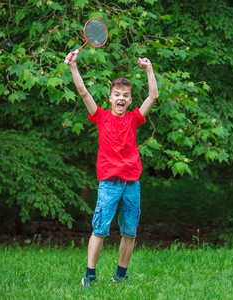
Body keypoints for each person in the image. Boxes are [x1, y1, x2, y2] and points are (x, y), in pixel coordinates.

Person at [65, 51, 159, 288]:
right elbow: (83, 92)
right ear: (109, 98)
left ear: (129, 101)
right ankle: (90, 275)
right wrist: (73, 66)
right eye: (117, 94)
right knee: (100, 229)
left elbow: (153, 95)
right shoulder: (100, 117)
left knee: (130, 232)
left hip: (131, 185)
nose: (121, 98)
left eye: (125, 95)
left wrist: (149, 69)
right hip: (108, 185)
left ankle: (120, 275)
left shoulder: (135, 119)